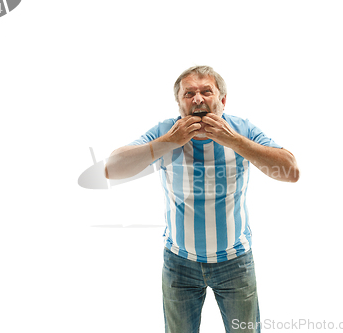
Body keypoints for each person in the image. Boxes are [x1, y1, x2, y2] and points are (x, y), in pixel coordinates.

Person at [105, 65, 299, 333]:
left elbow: (291, 171)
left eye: (206, 91)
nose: (197, 99)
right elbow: (111, 168)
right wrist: (168, 142)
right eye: (189, 94)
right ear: (179, 103)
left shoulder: (242, 129)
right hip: (179, 264)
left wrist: (235, 142)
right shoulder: (166, 131)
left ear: (222, 100)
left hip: (235, 263)